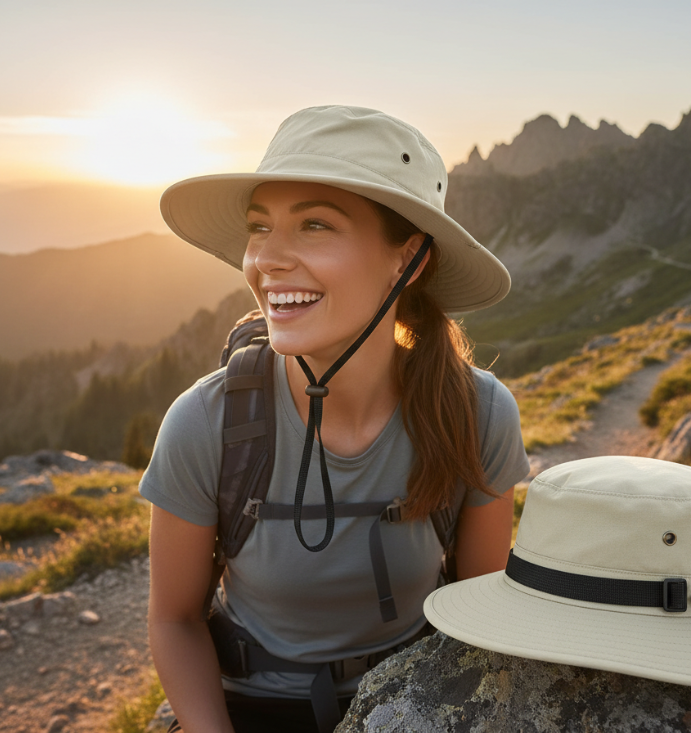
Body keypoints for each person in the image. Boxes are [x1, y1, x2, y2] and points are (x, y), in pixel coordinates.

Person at [140, 105, 530, 733]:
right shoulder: (204, 422)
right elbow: (174, 619)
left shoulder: (477, 413)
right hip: (248, 705)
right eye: (259, 227)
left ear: (407, 260)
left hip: (412, 698)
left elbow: (478, 609)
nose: (267, 259)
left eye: (314, 225)